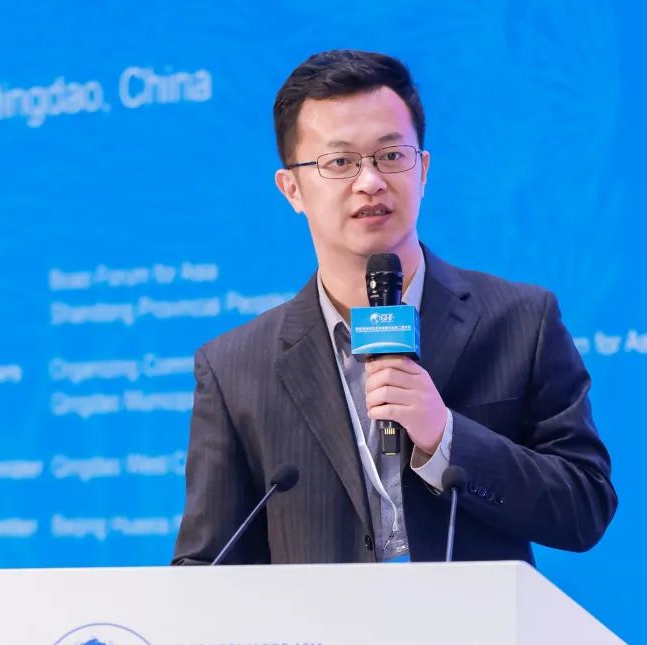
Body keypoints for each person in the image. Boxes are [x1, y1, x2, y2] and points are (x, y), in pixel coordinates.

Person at [172, 50, 616, 565]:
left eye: (390, 155)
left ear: (422, 170)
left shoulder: (521, 321)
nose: (370, 182)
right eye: (339, 162)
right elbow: (207, 564)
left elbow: (585, 504)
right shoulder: (235, 369)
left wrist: (445, 437)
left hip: (475, 619)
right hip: (323, 622)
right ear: (292, 189)